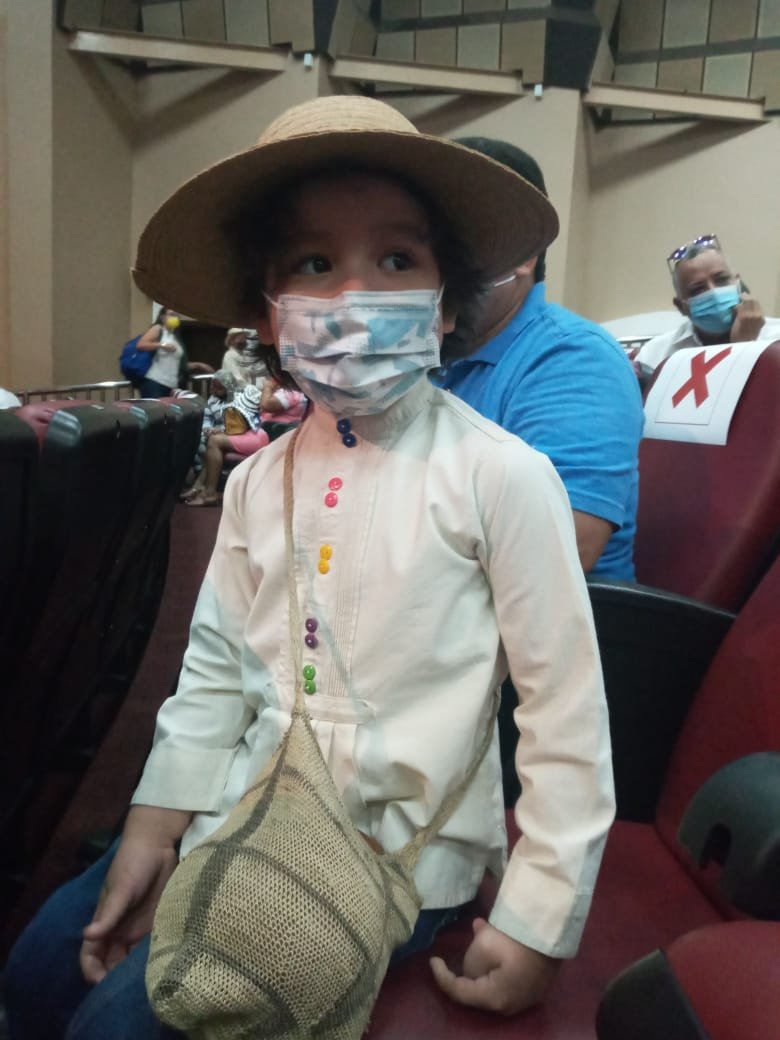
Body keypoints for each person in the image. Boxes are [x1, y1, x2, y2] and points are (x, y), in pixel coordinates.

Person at [4, 96, 614, 1039]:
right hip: (243, 806)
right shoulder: (260, 480)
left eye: (397, 260)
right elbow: (215, 667)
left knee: (122, 1026)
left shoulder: (502, 475)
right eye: (315, 265)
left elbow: (565, 711)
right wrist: (156, 820)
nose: (353, 295)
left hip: (398, 851)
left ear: (448, 300)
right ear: (266, 309)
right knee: (41, 967)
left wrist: (540, 916)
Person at [433, 138, 642, 582]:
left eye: (457, 240)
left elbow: (564, 545)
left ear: (524, 253)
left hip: (548, 615)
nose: (437, 263)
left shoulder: (574, 358)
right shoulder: (436, 355)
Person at [635, 233, 780, 374]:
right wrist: (740, 346)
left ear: (739, 285)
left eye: (721, 280)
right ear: (681, 306)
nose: (714, 292)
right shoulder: (655, 355)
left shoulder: (775, 338)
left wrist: (748, 347)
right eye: (698, 289)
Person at [180, 368, 238, 502]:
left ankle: (200, 486)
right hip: (214, 432)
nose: (215, 390)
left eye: (219, 387)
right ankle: (198, 484)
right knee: (195, 441)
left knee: (209, 444)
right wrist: (207, 429)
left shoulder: (237, 399)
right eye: (214, 386)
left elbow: (239, 423)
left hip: (233, 433)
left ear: (227, 387)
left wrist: (220, 429)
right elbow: (207, 418)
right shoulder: (213, 400)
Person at [135, 307, 213, 398]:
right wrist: (163, 345)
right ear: (163, 317)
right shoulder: (158, 329)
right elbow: (141, 345)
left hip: (171, 386)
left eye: (176, 315)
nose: (175, 318)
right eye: (171, 315)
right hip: (156, 382)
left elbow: (179, 365)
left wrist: (198, 365)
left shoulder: (175, 337)